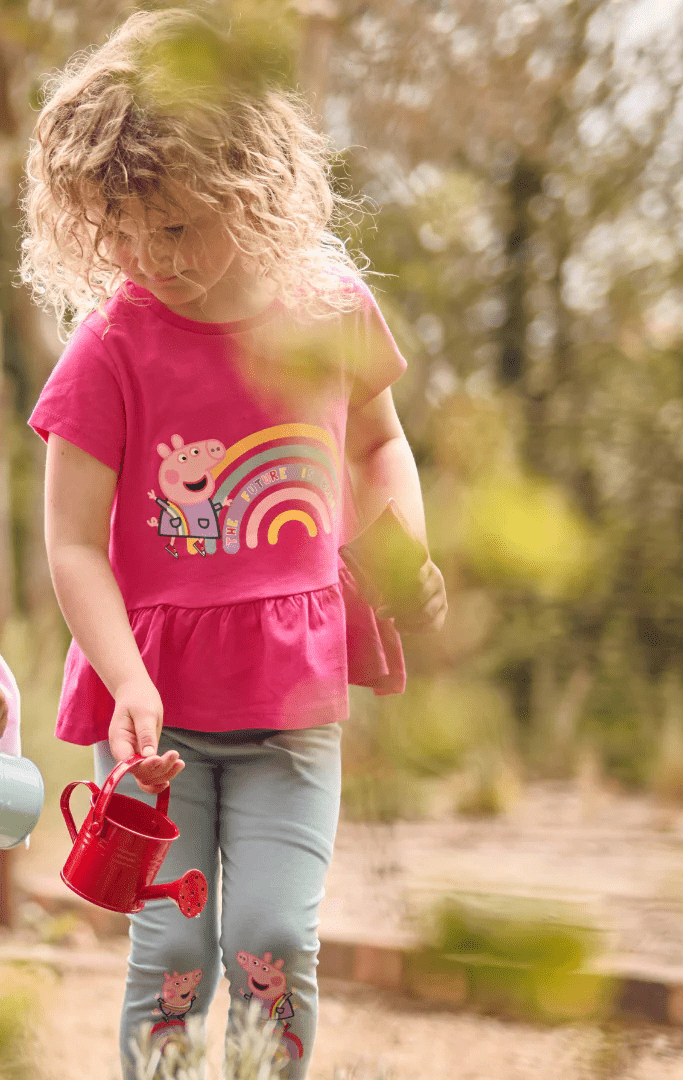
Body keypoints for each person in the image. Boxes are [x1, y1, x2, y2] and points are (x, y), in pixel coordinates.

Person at [22, 8, 447, 1078]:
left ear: (248, 185)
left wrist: (407, 551)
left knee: (270, 938)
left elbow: (380, 446)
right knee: (170, 943)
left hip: (290, 697)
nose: (145, 260)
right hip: (149, 708)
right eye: (121, 233)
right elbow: (70, 543)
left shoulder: (327, 309)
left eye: (173, 230)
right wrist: (120, 681)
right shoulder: (110, 343)